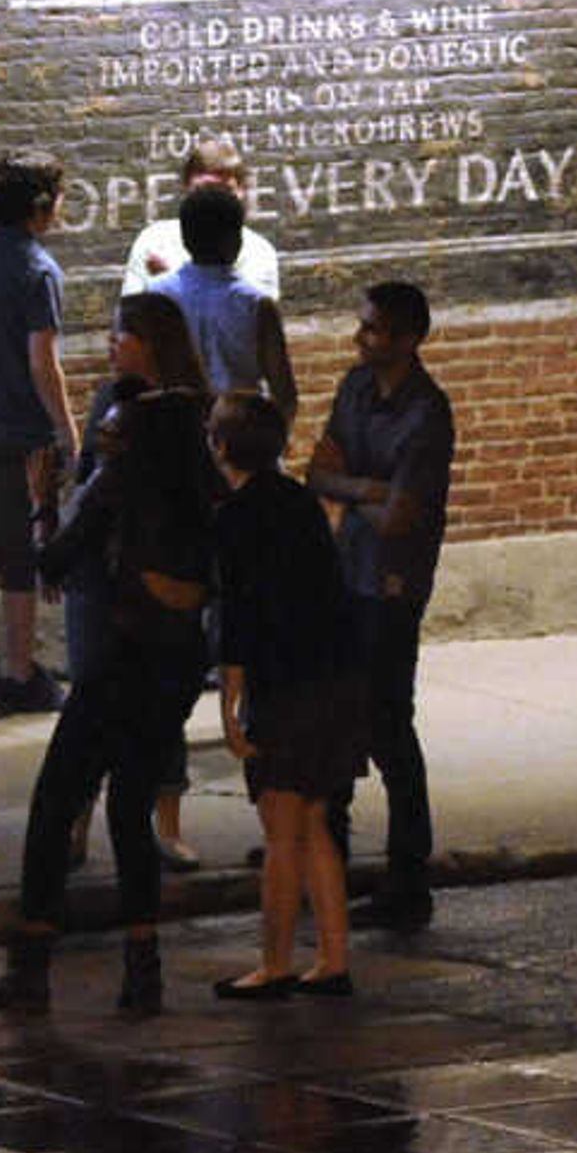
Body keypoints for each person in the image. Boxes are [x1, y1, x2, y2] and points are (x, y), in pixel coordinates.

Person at [0, 294, 219, 1016]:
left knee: (57, 800)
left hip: (124, 646)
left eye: (123, 334)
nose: (112, 343)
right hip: (177, 647)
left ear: (149, 344)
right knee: (132, 803)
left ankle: (31, 968)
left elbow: (63, 554)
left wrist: (41, 500)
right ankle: (142, 971)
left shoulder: (130, 433)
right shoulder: (200, 428)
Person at [309, 280, 455, 931]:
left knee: (390, 728)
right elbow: (317, 473)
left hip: (394, 585)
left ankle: (408, 875)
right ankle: (327, 861)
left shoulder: (427, 412)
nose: (360, 337)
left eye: (374, 329)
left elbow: (401, 519)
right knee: (339, 719)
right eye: (362, 325)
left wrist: (361, 491)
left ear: (406, 338)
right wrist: (368, 485)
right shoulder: (354, 389)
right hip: (346, 577)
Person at [209, 393, 363, 999]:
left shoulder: (236, 518)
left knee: (280, 827)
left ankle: (274, 962)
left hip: (288, 684)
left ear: (222, 447)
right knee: (315, 820)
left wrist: (231, 705)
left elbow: (240, 620)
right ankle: (332, 956)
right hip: (337, 674)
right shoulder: (301, 502)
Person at [0, 148, 79, 713]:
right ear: (42, 205)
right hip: (23, 432)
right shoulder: (38, 269)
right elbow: (42, 362)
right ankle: (21, 672)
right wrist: (69, 431)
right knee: (23, 552)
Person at [149, 183, 297, 425]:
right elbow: (284, 392)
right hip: (241, 432)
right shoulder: (257, 305)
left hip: (176, 429)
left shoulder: (156, 296)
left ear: (185, 239)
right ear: (236, 239)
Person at [123, 137, 283, 299]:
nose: (212, 201)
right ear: (186, 190)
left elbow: (247, 316)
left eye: (224, 190)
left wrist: (167, 283)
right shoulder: (153, 242)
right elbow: (133, 315)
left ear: (241, 192)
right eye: (204, 190)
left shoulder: (259, 253)